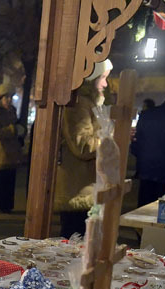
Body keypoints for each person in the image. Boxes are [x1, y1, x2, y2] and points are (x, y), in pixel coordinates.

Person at [54, 60, 111, 238]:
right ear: (91, 79)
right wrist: (110, 138)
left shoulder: (90, 104)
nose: (105, 84)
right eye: (102, 77)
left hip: (86, 188)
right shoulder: (78, 104)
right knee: (74, 243)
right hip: (78, 190)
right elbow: (83, 146)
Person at [0, 83, 23, 213]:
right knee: (1, 178)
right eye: (6, 97)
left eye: (10, 97)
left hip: (12, 151)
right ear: (0, 98)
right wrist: (13, 130)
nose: (8, 100)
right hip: (1, 151)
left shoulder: (12, 111)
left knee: (10, 178)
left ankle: (7, 205)